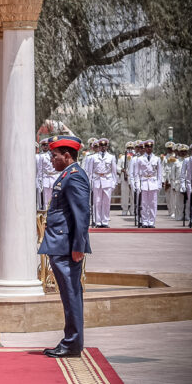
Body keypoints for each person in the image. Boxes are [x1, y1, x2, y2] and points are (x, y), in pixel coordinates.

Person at [38, 135, 91, 358]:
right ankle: (72, 340)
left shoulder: (75, 176)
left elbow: (82, 214)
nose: (51, 159)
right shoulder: (67, 175)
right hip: (59, 243)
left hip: (66, 246)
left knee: (71, 294)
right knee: (69, 295)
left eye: (55, 155)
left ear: (67, 156)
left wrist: (79, 246)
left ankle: (72, 342)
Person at [89, 138, 117, 228]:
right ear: (99, 147)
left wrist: (114, 183)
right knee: (97, 202)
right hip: (97, 180)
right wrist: (90, 183)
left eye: (104, 146)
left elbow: (114, 172)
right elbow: (90, 171)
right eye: (101, 146)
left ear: (107, 146)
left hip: (107, 180)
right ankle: (97, 221)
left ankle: (105, 221)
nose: (103, 147)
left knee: (106, 202)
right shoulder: (93, 157)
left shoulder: (111, 157)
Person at [135, 140, 162, 228]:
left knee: (153, 204)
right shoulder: (140, 159)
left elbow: (159, 173)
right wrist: (137, 185)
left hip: (153, 183)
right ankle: (145, 221)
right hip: (144, 183)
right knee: (144, 204)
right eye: (147, 147)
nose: (149, 149)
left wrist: (159, 185)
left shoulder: (157, 159)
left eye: (150, 147)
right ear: (145, 148)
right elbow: (137, 174)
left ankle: (152, 222)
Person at [37, 138, 60, 211]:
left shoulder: (54, 154)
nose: (45, 147)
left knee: (55, 197)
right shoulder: (41, 156)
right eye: (43, 145)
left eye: (47, 145)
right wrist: (40, 180)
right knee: (46, 198)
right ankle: (46, 215)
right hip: (46, 178)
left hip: (54, 177)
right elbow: (40, 169)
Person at [117, 142, 134, 216]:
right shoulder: (122, 157)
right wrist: (121, 170)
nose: (130, 150)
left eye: (131, 148)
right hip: (125, 178)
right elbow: (117, 167)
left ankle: (133, 210)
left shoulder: (135, 157)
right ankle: (125, 209)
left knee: (133, 195)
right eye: (128, 148)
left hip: (132, 179)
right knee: (124, 195)